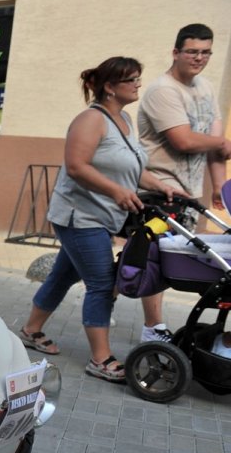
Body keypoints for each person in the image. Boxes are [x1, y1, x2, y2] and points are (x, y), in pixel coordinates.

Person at [19, 57, 179, 382]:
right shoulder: (91, 120)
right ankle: (100, 359)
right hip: (80, 216)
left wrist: (159, 185)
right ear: (109, 87)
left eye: (138, 78)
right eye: (131, 79)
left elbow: (130, 167)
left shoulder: (125, 120)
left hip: (101, 215)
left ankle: (30, 329)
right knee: (102, 285)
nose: (138, 84)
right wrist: (118, 192)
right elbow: (77, 166)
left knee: (63, 274)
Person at [137, 23, 231, 343]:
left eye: (206, 52)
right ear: (175, 52)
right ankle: (153, 328)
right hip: (157, 187)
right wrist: (220, 144)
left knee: (142, 260)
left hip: (187, 192)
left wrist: (218, 185)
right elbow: (184, 141)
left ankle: (97, 295)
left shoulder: (204, 89)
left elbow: (216, 144)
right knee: (155, 258)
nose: (199, 58)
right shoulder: (163, 90)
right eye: (192, 51)